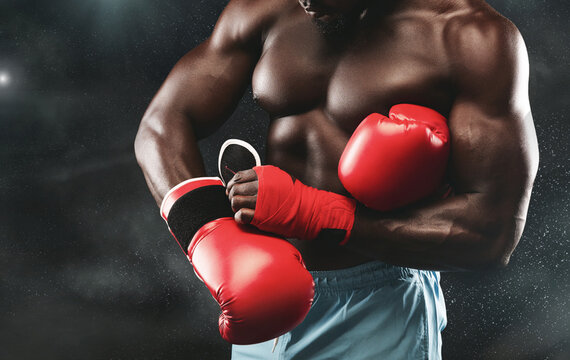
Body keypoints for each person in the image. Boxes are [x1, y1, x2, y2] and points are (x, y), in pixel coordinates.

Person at [134, 0, 539, 358]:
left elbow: (493, 234)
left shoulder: (469, 37)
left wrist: (316, 212)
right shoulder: (265, 10)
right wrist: (209, 235)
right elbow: (161, 124)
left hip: (376, 307)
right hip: (261, 293)